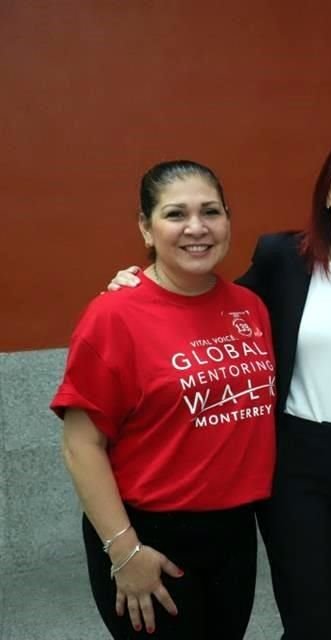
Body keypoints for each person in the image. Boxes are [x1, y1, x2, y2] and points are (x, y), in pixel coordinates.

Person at [106, 131, 331, 639]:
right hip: (297, 467)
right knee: (311, 619)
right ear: (327, 191)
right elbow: (210, 301)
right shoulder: (282, 259)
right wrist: (139, 280)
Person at [52, 160, 276, 639]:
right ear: (146, 228)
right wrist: (125, 552)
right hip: (148, 535)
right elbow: (80, 446)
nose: (196, 228)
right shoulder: (113, 316)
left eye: (210, 212)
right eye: (176, 214)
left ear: (228, 220)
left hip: (233, 535)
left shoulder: (250, 307)